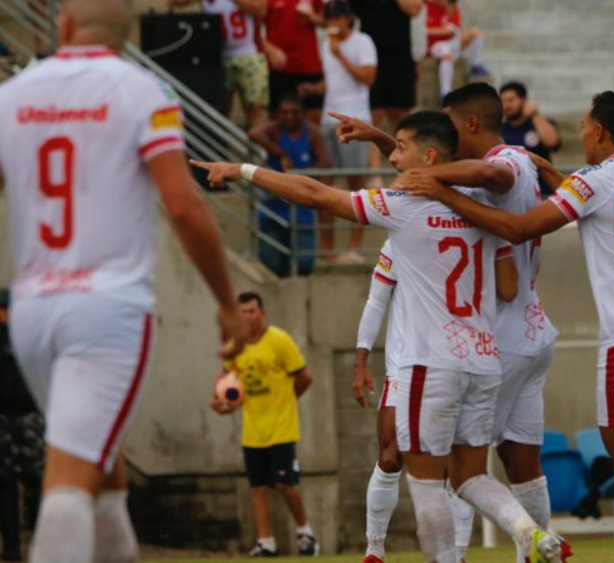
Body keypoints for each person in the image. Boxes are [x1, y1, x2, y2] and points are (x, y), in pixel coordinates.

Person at [192, 110, 568, 563]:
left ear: (428, 157)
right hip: (484, 359)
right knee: (470, 477)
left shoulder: (402, 204)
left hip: (429, 363)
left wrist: (243, 170)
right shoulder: (482, 205)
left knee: (426, 482)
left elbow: (313, 194)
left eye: (402, 148)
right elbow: (507, 287)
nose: (394, 158)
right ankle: (529, 531)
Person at [0, 1, 248, 562]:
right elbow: (183, 205)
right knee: (69, 473)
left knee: (102, 466)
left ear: (63, 26)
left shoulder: (11, 95)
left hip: (33, 307)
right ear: (128, 35)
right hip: (105, 307)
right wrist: (228, 303)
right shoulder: (142, 92)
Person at [396, 91, 614, 563]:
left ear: (599, 132)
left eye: (584, 126)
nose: (580, 134)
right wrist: (555, 176)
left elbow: (521, 227)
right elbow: (598, 198)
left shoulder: (596, 179)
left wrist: (441, 192)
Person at [354, 240, 476, 563]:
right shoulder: (399, 238)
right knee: (391, 456)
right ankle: (374, 549)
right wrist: (361, 362)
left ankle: (459, 552)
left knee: (455, 464)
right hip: (404, 364)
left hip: (454, 362)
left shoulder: (469, 228)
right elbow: (376, 301)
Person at [212, 292, 319, 557]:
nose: (248, 316)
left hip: (281, 428)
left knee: (284, 484)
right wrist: (220, 403)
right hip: (253, 430)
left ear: (263, 313)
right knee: (257, 487)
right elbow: (225, 383)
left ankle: (306, 533)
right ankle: (266, 542)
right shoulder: (236, 346)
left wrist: (285, 401)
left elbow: (305, 377)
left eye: (252, 311)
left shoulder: (279, 340)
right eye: (243, 312)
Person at [310, 0, 378, 262]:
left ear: (349, 18)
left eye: (338, 17)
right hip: (329, 117)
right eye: (329, 17)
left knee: (354, 183)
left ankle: (354, 245)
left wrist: (341, 55)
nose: (333, 22)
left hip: (355, 118)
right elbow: (334, 80)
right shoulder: (327, 44)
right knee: (326, 180)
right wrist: (315, 89)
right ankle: (326, 246)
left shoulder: (363, 42)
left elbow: (368, 78)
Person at [248, 94, 332, 276]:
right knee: (272, 264)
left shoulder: (312, 133)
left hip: (303, 205)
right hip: (274, 207)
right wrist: (279, 154)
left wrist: (301, 176)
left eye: (294, 112)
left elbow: (325, 161)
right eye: (284, 113)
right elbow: (254, 133)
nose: (289, 117)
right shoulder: (275, 131)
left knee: (305, 263)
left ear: (303, 114)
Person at [168, 0, 269, 127]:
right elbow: (173, 3)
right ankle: (223, 144)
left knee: (255, 114)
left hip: (248, 54)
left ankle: (256, 144)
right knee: (221, 111)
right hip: (220, 57)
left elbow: (261, 9)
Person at [0, 289, 44, 563]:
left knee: (35, 481)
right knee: (4, 484)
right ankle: (13, 546)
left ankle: (41, 542)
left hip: (29, 416)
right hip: (2, 417)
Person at [349, 0, 422, 131]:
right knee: (374, 116)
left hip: (399, 58)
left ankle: (401, 148)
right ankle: (375, 150)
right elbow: (347, 15)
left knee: (400, 115)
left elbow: (415, 9)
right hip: (370, 60)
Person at [263, 0, 326, 124]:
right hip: (280, 66)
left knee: (314, 118)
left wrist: (312, 17)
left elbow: (327, 21)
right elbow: (253, 27)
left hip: (308, 65)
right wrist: (269, 49)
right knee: (278, 118)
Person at [499, 81, 562, 197]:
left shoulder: (539, 122)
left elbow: (552, 142)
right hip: (511, 195)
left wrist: (534, 114)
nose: (506, 106)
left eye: (511, 100)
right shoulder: (499, 129)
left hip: (543, 193)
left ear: (523, 100)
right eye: (503, 101)